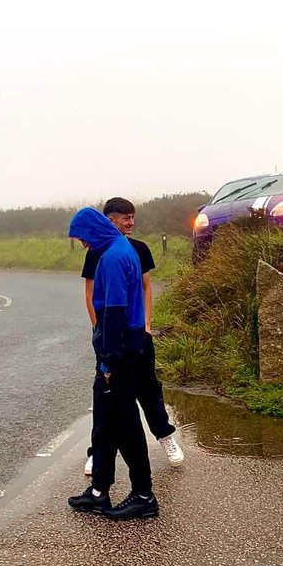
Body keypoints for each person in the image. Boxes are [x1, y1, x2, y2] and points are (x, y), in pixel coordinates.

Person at [67, 206, 159, 521]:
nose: (83, 244)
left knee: (125, 424)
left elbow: (115, 313)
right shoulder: (116, 249)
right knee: (104, 423)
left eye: (82, 238)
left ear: (93, 231)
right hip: (119, 348)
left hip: (120, 351)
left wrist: (107, 363)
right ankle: (98, 491)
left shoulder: (114, 259)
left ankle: (144, 496)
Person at [81, 197, 183, 474]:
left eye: (132, 216)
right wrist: (98, 331)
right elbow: (91, 295)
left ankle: (165, 436)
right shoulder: (97, 252)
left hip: (138, 334)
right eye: (125, 217)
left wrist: (147, 324)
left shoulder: (138, 249)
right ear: (110, 219)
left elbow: (146, 288)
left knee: (148, 388)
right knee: (105, 397)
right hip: (109, 339)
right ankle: (98, 453)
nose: (131, 222)